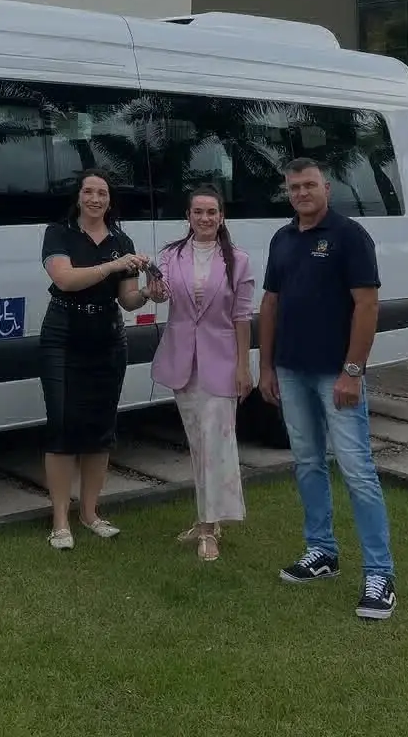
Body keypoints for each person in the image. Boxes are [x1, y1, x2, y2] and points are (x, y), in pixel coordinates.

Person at [258, 157, 397, 620]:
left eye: (309, 185)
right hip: (291, 372)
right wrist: (267, 367)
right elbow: (271, 304)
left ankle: (380, 574)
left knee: (357, 471)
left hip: (335, 375)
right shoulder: (282, 239)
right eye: (294, 187)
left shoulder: (349, 236)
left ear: (326, 187)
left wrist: (352, 371)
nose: (301, 192)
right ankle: (322, 552)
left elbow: (368, 306)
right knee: (307, 463)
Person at [39, 168, 150, 550]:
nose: (95, 199)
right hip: (64, 336)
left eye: (102, 193)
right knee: (63, 427)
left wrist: (149, 294)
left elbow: (127, 299)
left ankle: (90, 514)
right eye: (89, 191)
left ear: (109, 200)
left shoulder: (122, 239)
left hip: (108, 339)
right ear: (79, 197)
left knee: (101, 430)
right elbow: (66, 279)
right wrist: (114, 265)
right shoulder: (59, 233)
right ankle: (59, 521)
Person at [146, 185, 255, 562]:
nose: (205, 218)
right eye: (198, 212)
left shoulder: (237, 260)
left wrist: (244, 366)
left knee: (218, 444)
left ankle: (211, 527)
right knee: (198, 445)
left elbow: (242, 317)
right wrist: (154, 291)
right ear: (188, 217)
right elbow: (160, 295)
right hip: (182, 363)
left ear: (221, 217)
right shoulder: (171, 255)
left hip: (222, 363)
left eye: (212, 212)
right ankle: (203, 517)